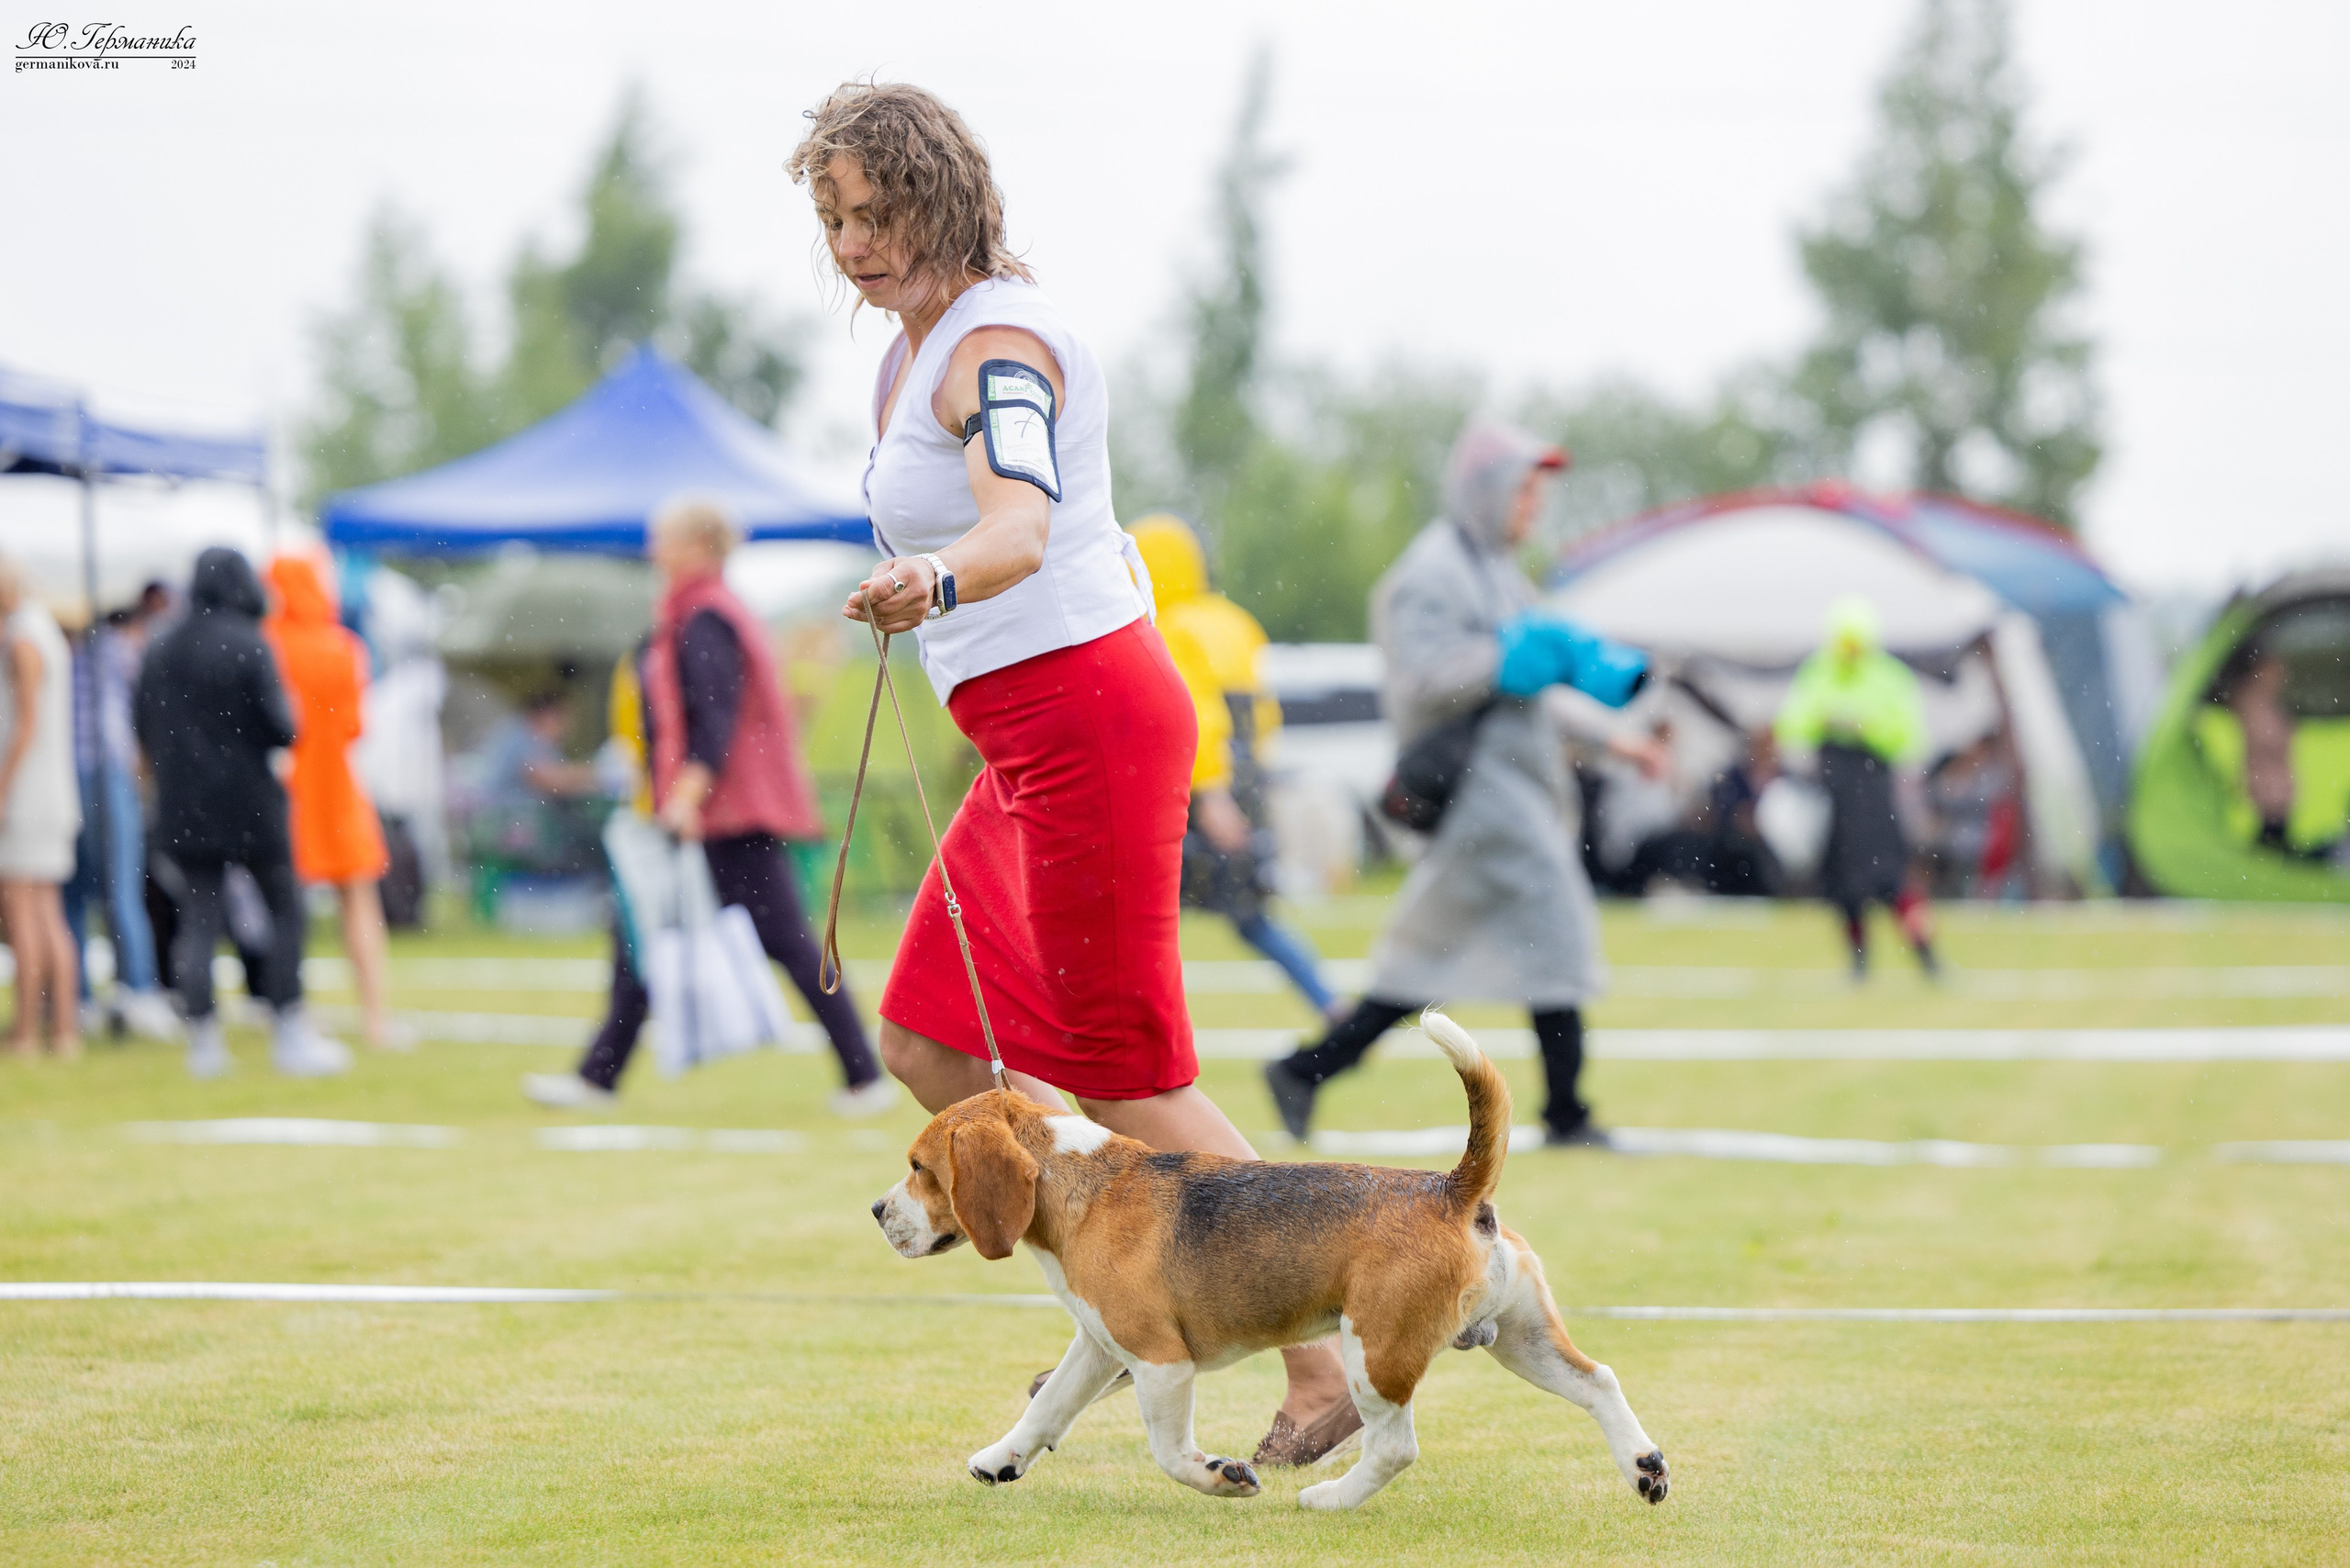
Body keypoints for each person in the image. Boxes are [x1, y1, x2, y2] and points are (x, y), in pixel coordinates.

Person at [787, 80, 1356, 1467]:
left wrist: (932, 575)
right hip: (1022, 741)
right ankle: (1114, 1276)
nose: (855, 243)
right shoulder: (909, 356)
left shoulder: (998, 347)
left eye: (877, 212)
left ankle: (1319, 1356)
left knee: (1128, 1073)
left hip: (1088, 720)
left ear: (943, 201)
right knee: (923, 1036)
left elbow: (1021, 528)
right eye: (834, 217)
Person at [1262, 423, 1658, 1148]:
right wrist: (1500, 658)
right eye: (1525, 489)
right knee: (1555, 937)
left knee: (1427, 964)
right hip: (1482, 799)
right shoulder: (1432, 573)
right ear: (1487, 490)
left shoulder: (1498, 572)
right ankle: (1567, 1112)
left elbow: (1536, 686)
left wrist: (1614, 738)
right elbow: (1420, 680)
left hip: (1508, 794)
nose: (1536, 505)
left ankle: (1306, 1069)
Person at [522, 498, 893, 1115]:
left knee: (779, 940)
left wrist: (686, 794)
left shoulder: (706, 619)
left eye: (665, 538)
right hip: (716, 809)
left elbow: (714, 717)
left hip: (723, 814)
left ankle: (864, 1075)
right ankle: (596, 1078)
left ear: (699, 545)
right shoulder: (704, 612)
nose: (654, 550)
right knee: (648, 935)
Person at [136, 547, 350, 1079]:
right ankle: (287, 1027)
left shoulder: (160, 646)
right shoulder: (251, 643)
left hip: (184, 805)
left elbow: (142, 724)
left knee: (199, 921)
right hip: (251, 801)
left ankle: (204, 1040)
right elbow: (283, 728)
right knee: (285, 911)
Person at [1131, 514, 1346, 1024]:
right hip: (1246, 786)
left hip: (1196, 792)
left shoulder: (1172, 627)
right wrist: (1250, 783)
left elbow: (1198, 715)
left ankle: (1143, 1021)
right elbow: (1263, 714)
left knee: (1145, 917)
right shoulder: (1235, 622)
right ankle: (1330, 1004)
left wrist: (1210, 793)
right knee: (1251, 917)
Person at [264, 554, 403, 1051]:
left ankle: (296, 1013)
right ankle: (375, 1018)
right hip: (338, 786)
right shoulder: (343, 647)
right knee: (359, 900)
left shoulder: (271, 645)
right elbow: (354, 726)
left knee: (288, 909)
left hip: (290, 787)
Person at [1774, 595, 1939, 977]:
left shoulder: (1890, 676)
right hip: (1836, 792)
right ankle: (1859, 962)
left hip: (1874, 790)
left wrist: (1866, 729)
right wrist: (1826, 723)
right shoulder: (1819, 670)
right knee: (1844, 885)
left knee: (1893, 880)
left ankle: (1926, 956)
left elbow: (1909, 736)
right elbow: (1792, 723)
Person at [63, 587, 178, 1041]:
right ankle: (138, 988)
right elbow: (135, 717)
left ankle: (79, 996)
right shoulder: (118, 651)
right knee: (123, 888)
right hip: (108, 775)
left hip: (69, 773)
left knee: (75, 892)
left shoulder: (74, 650)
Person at [0, 558, 85, 1058]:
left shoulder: (22, 639)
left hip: (27, 795)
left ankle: (27, 1031)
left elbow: (24, 723)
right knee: (49, 913)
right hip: (53, 789)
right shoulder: (45, 629)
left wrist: (2, 789)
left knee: (23, 913)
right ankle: (64, 1030)